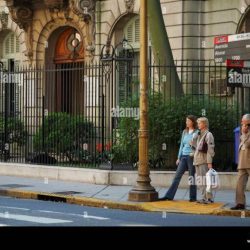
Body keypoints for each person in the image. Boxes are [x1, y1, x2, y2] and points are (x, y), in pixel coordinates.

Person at [159, 115, 198, 202]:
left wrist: (193, 144)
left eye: (188, 121)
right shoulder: (185, 132)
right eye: (186, 121)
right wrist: (178, 157)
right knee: (177, 176)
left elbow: (198, 146)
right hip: (183, 156)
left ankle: (193, 198)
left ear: (192, 122)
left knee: (191, 177)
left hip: (192, 156)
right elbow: (181, 145)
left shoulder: (197, 132)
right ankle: (169, 196)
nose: (186, 122)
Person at [193, 117, 215, 204]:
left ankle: (208, 198)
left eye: (200, 123)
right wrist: (194, 137)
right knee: (200, 180)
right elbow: (195, 147)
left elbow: (210, 149)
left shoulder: (209, 135)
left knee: (205, 180)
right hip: (197, 160)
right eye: (198, 123)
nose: (198, 125)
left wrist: (209, 162)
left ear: (204, 124)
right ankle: (204, 197)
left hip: (203, 160)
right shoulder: (199, 134)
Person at [231, 114, 250, 210]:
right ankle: (240, 203)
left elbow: (247, 145)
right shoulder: (244, 133)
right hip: (243, 162)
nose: (242, 122)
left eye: (243, 121)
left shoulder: (246, 133)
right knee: (239, 184)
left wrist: (245, 134)